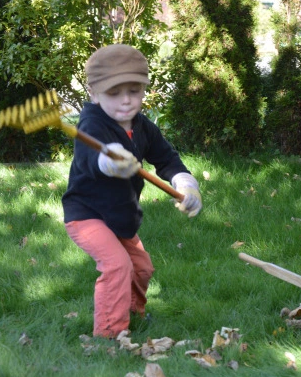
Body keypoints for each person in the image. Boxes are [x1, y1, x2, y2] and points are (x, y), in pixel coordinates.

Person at [62, 44, 202, 338]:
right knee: (117, 265)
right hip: (86, 214)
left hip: (120, 216)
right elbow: (92, 159)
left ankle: (132, 314)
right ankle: (110, 334)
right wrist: (111, 160)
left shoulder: (142, 126)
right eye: (114, 93)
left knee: (141, 268)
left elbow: (167, 159)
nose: (126, 101)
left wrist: (187, 186)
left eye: (134, 91)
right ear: (94, 93)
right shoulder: (91, 123)